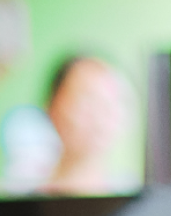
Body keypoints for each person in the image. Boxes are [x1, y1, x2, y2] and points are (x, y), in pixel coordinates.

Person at [40, 53, 137, 197]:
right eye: (88, 102)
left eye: (108, 104)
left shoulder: (134, 200)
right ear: (52, 109)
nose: (99, 118)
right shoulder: (22, 203)